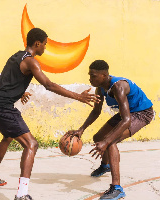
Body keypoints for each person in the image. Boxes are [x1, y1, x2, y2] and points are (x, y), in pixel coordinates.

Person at [0, 28, 100, 200]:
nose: (45, 47)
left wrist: (19, 92)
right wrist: (78, 96)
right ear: (37, 43)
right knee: (31, 144)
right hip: (2, 107)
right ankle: (22, 195)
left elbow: (6, 79)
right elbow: (49, 85)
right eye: (45, 44)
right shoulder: (32, 62)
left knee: (8, 137)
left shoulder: (17, 56)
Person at [66, 60, 154, 200]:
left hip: (141, 113)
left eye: (93, 75)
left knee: (110, 141)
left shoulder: (118, 86)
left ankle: (117, 188)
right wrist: (81, 129)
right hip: (127, 114)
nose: (90, 78)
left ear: (104, 75)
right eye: (89, 75)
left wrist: (107, 141)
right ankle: (105, 165)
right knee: (98, 137)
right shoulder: (100, 88)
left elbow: (126, 121)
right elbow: (96, 112)